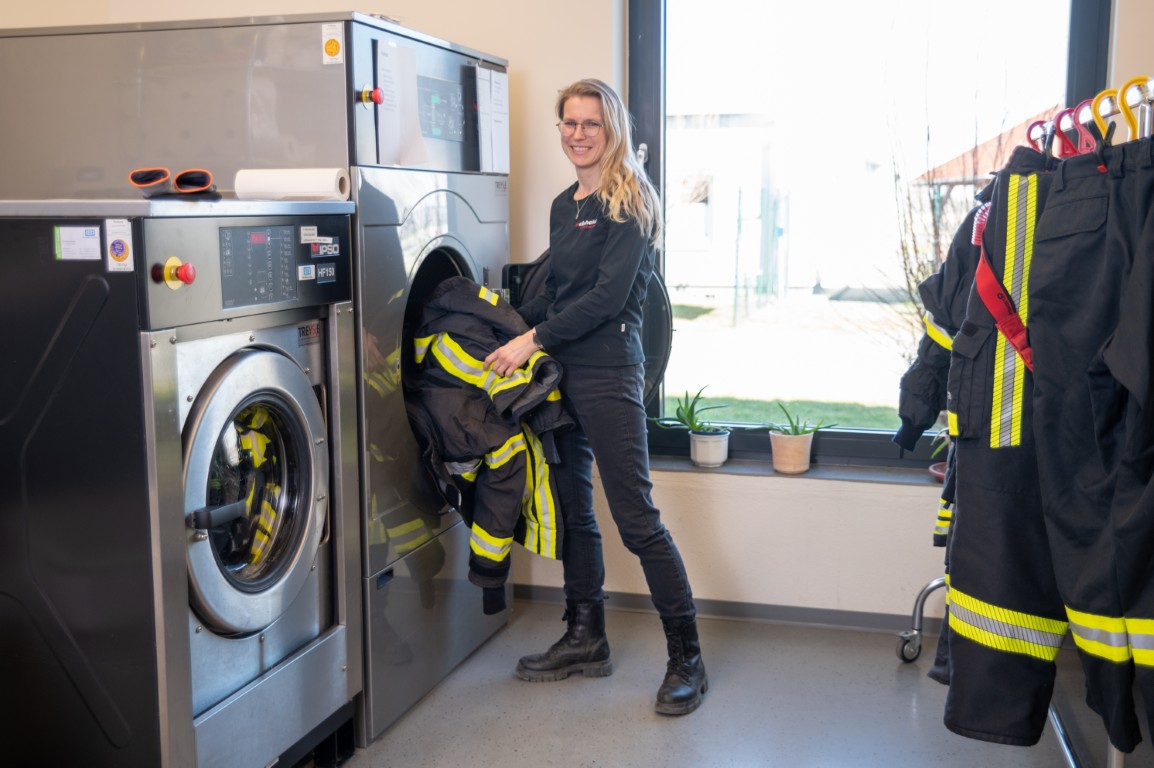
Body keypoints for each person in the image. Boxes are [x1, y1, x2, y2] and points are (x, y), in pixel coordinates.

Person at [483, 78, 708, 716]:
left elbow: (607, 298)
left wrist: (530, 340)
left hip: (609, 374)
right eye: (569, 123)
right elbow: (558, 293)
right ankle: (586, 636)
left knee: (636, 519)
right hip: (560, 377)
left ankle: (687, 659)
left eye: (591, 124)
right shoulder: (564, 205)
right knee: (573, 511)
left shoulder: (630, 199)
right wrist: (500, 323)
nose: (579, 134)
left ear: (612, 131)